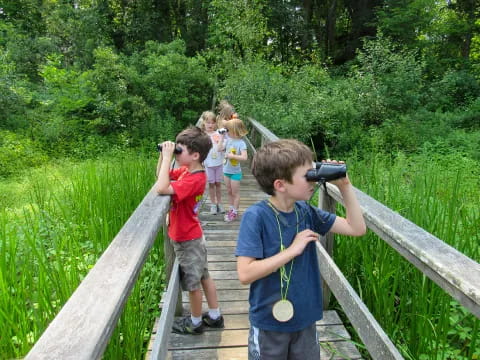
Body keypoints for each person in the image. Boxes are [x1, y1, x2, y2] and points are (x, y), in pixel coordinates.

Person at [236, 139, 366, 359]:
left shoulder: (305, 211)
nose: (313, 180)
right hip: (269, 323)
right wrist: (292, 250)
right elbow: (245, 273)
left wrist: (345, 186)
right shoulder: (256, 217)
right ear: (280, 185)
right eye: (308, 175)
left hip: (305, 319)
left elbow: (356, 228)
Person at [156, 126, 224, 335]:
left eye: (179, 150)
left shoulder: (194, 179)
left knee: (193, 283)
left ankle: (195, 323)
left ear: (195, 155)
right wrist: (163, 156)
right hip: (193, 234)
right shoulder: (188, 171)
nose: (175, 153)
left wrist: (168, 157)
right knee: (203, 275)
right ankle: (214, 316)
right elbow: (162, 176)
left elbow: (161, 188)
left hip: (187, 238)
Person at [219, 118, 248, 222]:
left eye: (228, 130)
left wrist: (233, 156)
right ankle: (231, 209)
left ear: (235, 131)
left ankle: (234, 212)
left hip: (235, 172)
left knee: (235, 193)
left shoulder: (241, 143)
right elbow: (219, 149)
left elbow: (245, 158)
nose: (227, 131)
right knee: (229, 191)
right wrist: (222, 138)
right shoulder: (228, 140)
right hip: (226, 170)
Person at [200, 110, 225, 215]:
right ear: (203, 123)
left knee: (218, 184)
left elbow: (223, 146)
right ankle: (213, 204)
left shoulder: (218, 134)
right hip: (208, 164)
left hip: (219, 163)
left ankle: (219, 203)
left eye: (212, 122)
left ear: (215, 123)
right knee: (211, 184)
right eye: (208, 122)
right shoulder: (202, 136)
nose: (210, 125)